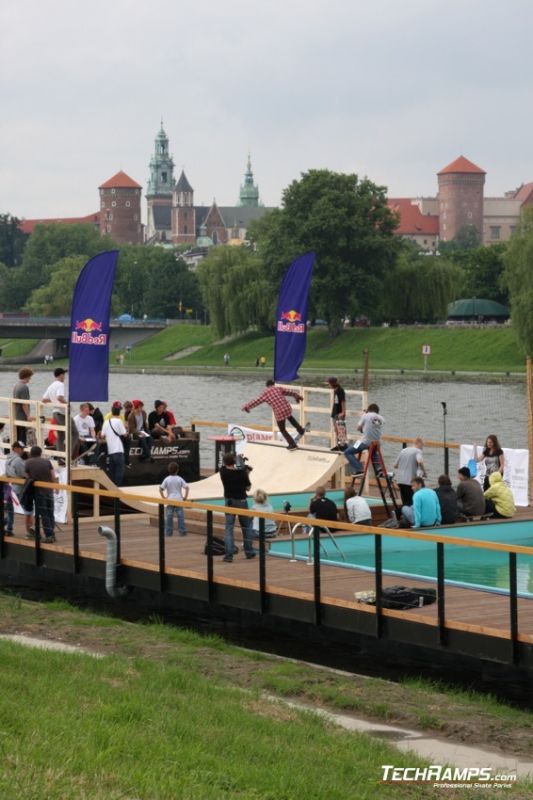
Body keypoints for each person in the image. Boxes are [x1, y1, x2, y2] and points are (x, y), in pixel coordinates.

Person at [242, 380, 309, 450]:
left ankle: (292, 444)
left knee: (282, 429)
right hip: (287, 407)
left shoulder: (264, 393)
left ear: (267, 386)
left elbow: (256, 401)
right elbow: (290, 392)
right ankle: (300, 430)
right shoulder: (278, 388)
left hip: (279, 412)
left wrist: (247, 407)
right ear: (273, 384)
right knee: (290, 417)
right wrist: (296, 395)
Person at [219, 452, 256, 562]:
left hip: (229, 502)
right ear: (234, 462)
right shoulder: (241, 473)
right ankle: (249, 552)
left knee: (229, 528)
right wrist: (246, 472)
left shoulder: (223, 472)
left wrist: (238, 459)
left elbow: (227, 466)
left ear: (225, 462)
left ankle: (229, 555)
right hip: (242, 501)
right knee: (246, 526)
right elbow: (248, 488)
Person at [24, 445, 57, 543]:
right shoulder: (47, 461)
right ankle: (52, 533)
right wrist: (55, 486)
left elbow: (27, 476)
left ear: (31, 453)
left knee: (44, 514)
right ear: (40, 453)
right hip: (49, 489)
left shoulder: (28, 462)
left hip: (39, 491)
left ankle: (49, 535)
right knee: (50, 512)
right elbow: (53, 475)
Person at [42, 367, 74, 457]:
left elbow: (44, 399)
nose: (65, 377)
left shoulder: (51, 385)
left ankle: (61, 457)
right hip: (62, 413)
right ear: (61, 375)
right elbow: (60, 397)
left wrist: (54, 402)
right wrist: (68, 404)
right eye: (64, 375)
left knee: (61, 436)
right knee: (74, 433)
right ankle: (69, 455)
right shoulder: (60, 384)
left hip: (55, 412)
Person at [344, 403, 384, 475]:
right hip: (376, 443)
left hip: (365, 442)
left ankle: (359, 468)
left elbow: (358, 428)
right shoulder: (381, 418)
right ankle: (379, 468)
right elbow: (372, 426)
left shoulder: (365, 416)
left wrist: (365, 415)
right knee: (373, 453)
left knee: (347, 452)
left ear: (369, 410)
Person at [5, 441, 31, 537]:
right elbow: (23, 474)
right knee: (27, 510)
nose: (22, 450)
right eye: (21, 448)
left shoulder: (8, 459)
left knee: (9, 510)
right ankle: (29, 532)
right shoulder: (18, 460)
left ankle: (9, 529)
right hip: (18, 488)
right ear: (15, 448)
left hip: (8, 487)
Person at [159, 462, 189, 536]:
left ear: (168, 470)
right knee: (180, 516)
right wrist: (185, 497)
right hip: (179, 499)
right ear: (177, 470)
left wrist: (164, 497)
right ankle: (182, 531)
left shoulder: (167, 479)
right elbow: (187, 487)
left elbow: (160, 489)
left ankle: (168, 532)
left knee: (169, 516)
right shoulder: (179, 478)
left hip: (170, 500)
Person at [101, 403, 127, 486]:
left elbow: (102, 435)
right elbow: (124, 434)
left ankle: (112, 489)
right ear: (119, 412)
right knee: (120, 471)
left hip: (110, 450)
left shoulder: (106, 422)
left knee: (112, 472)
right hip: (118, 450)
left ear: (112, 412)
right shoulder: (119, 421)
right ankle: (117, 489)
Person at [394, 438, 425, 506]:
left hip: (400, 480)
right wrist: (424, 471)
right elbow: (419, 461)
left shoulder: (403, 450)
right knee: (411, 502)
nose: (422, 448)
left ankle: (402, 514)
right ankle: (398, 513)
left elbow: (395, 465)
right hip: (409, 481)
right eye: (422, 446)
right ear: (419, 444)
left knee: (404, 502)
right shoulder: (417, 451)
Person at [12, 367, 34, 445]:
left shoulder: (16, 385)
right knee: (22, 439)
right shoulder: (24, 387)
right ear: (27, 376)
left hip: (16, 415)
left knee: (17, 438)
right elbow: (24, 404)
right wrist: (28, 416)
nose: (30, 379)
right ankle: (23, 455)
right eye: (30, 376)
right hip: (22, 416)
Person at [327, 377, 347, 452]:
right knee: (336, 430)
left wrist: (343, 412)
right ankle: (338, 445)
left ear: (332, 383)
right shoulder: (335, 390)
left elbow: (343, 401)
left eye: (329, 383)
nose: (328, 385)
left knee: (341, 430)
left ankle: (343, 446)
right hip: (335, 412)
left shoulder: (340, 390)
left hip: (339, 413)